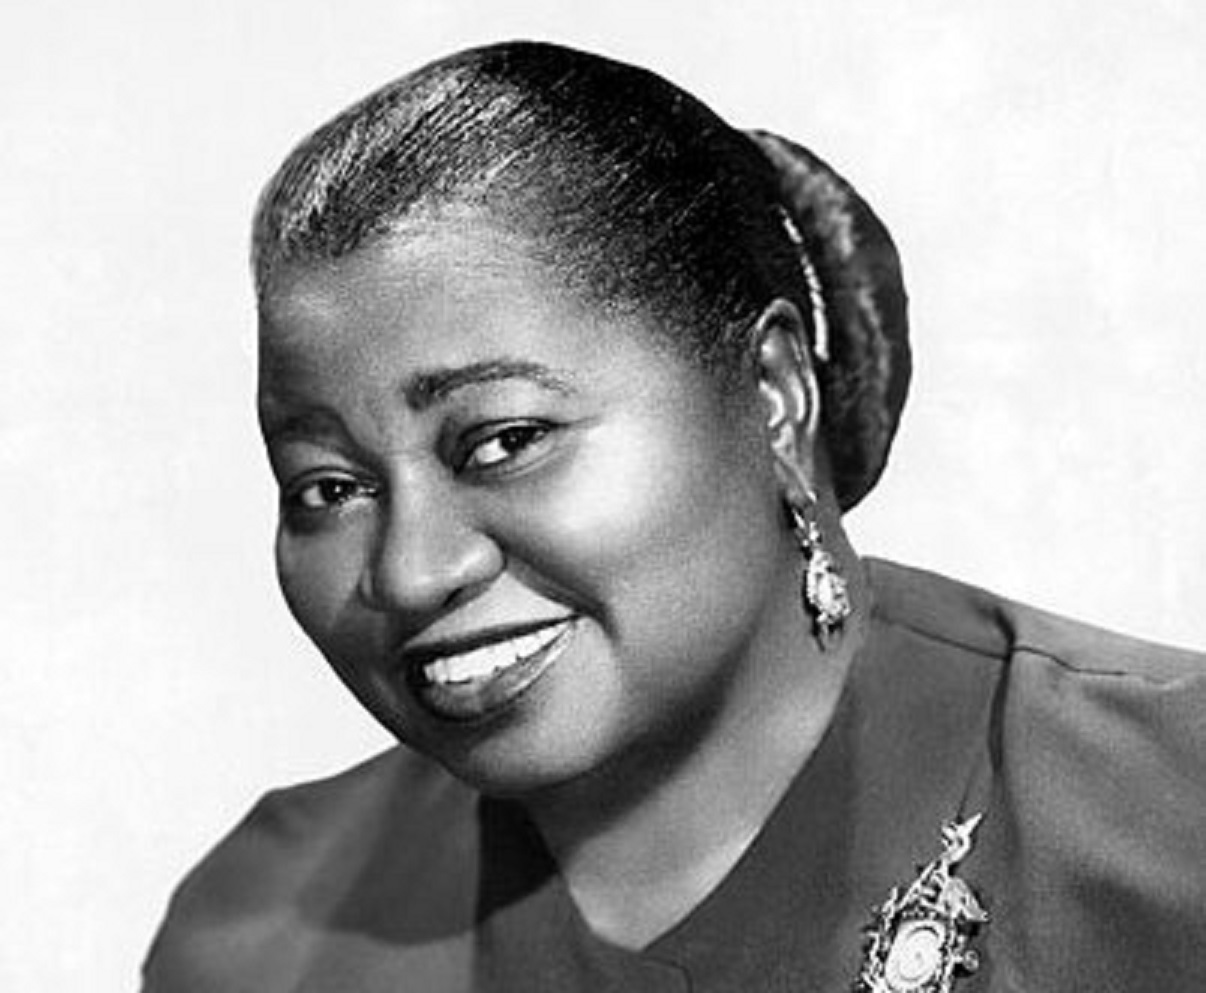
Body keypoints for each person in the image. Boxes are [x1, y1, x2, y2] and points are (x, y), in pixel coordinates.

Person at [141, 41, 1206, 992]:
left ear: (774, 393)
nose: (413, 571)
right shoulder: (268, 934)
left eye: (505, 439)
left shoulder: (1167, 813)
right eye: (328, 488)